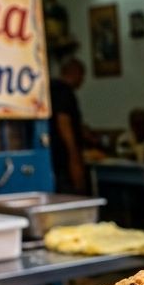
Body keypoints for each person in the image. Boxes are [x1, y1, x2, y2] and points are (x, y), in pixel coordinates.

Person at [49, 57, 88, 195]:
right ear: (76, 73)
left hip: (52, 156)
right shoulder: (64, 91)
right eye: (82, 76)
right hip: (63, 159)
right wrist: (74, 158)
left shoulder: (50, 89)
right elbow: (63, 122)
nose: (83, 80)